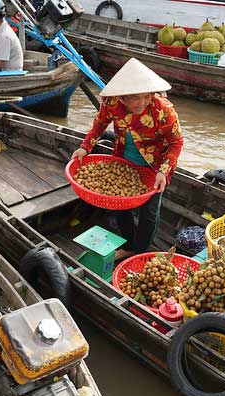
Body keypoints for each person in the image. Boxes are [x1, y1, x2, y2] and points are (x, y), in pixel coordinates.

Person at [70, 58, 184, 260]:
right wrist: (84, 147)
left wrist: (163, 172)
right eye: (136, 98)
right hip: (123, 161)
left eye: (147, 96)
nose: (143, 102)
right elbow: (100, 124)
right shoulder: (111, 103)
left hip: (155, 166)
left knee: (149, 214)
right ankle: (129, 245)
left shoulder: (163, 111)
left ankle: (140, 252)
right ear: (122, 98)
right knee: (121, 207)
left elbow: (176, 142)